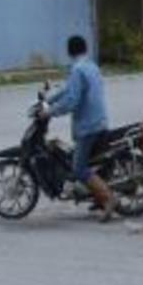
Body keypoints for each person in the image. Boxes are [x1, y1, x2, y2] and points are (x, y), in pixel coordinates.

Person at [42, 35, 117, 222]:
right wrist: (47, 100)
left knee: (79, 168)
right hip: (100, 122)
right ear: (85, 49)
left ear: (69, 51)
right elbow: (68, 90)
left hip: (88, 127)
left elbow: (71, 100)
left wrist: (49, 112)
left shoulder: (77, 70)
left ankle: (109, 198)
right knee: (87, 163)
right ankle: (98, 197)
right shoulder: (91, 66)